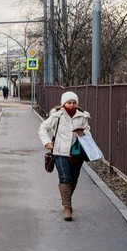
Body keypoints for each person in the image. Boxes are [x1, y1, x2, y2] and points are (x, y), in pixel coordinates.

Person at [38, 91, 91, 221]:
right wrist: (47, 143)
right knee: (65, 177)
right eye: (69, 102)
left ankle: (66, 199)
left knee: (74, 177)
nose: (71, 105)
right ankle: (67, 207)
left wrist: (82, 134)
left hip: (76, 152)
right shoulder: (57, 115)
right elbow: (43, 128)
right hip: (60, 151)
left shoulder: (82, 116)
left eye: (74, 102)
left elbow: (88, 133)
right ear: (63, 103)